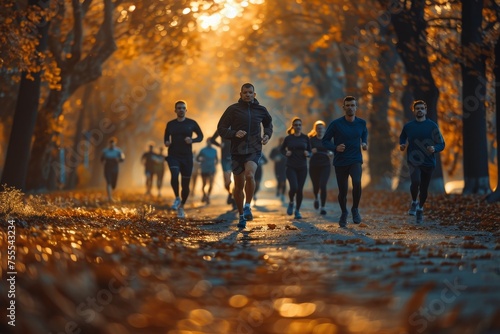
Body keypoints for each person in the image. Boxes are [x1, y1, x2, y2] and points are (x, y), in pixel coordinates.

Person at [217, 83, 273, 228]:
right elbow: (221, 128)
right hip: (236, 151)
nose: (247, 95)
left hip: (254, 149)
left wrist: (267, 135)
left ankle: (248, 205)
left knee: (250, 175)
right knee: (238, 186)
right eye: (245, 92)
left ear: (254, 95)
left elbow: (268, 124)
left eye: (250, 92)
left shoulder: (261, 110)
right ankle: (241, 215)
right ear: (240, 94)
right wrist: (234, 133)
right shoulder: (233, 109)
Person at [322, 96, 368, 227]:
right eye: (347, 105)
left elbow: (364, 133)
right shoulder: (336, 124)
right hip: (341, 161)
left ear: (356, 107)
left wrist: (364, 142)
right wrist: (335, 148)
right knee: (342, 191)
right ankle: (344, 212)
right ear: (344, 108)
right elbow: (325, 140)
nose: (350, 108)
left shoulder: (361, 123)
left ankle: (355, 209)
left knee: (357, 182)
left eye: (353, 105)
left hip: (355, 159)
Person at [399, 100, 445, 223]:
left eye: (421, 108)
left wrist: (434, 148)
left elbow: (441, 143)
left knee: (424, 188)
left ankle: (420, 208)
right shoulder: (408, 126)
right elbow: (402, 136)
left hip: (428, 162)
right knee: (415, 181)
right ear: (414, 111)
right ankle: (414, 201)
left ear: (425, 110)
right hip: (413, 160)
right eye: (417, 108)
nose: (419, 110)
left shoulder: (432, 126)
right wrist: (402, 144)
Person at [164, 100, 204, 218]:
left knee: (185, 185)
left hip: (187, 157)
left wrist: (192, 140)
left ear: (186, 110)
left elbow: (201, 136)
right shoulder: (170, 124)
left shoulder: (192, 123)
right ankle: (177, 197)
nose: (181, 110)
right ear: (175, 110)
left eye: (183, 108)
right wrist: (166, 142)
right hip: (173, 155)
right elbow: (166, 138)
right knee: (174, 174)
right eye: (179, 108)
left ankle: (182, 206)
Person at [280, 117, 311, 219]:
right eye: (296, 125)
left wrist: (308, 153)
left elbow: (310, 152)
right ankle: (291, 202)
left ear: (301, 126)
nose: (298, 127)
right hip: (291, 166)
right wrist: (286, 153)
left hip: (302, 167)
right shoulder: (289, 138)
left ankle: (297, 210)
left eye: (299, 125)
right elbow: (281, 149)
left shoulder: (305, 138)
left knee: (300, 190)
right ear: (292, 126)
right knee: (294, 187)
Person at [308, 120, 333, 215]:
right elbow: (307, 151)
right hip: (314, 165)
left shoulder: (327, 140)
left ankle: (323, 207)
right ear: (316, 129)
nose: (320, 130)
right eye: (318, 128)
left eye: (321, 128)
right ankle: (316, 197)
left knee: (323, 185)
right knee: (316, 186)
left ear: (324, 129)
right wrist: (311, 151)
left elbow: (332, 149)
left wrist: (331, 153)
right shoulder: (311, 140)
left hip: (325, 165)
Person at [210, 130, 236, 209]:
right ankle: (230, 193)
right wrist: (219, 145)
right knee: (227, 181)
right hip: (225, 158)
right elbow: (212, 140)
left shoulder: (238, 125)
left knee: (237, 180)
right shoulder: (222, 128)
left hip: (236, 157)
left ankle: (235, 199)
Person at [100, 137, 125, 202]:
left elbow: (122, 158)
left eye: (113, 144)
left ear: (115, 144)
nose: (112, 145)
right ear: (109, 144)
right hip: (107, 168)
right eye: (111, 144)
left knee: (113, 184)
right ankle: (109, 197)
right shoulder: (105, 151)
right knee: (108, 182)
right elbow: (101, 159)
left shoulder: (118, 151)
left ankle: (111, 194)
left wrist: (119, 159)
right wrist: (103, 161)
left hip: (115, 168)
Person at [196, 138, 218, 205]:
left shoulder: (214, 150)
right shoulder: (202, 150)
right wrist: (200, 159)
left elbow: (217, 159)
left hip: (212, 169)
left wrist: (215, 164)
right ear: (206, 142)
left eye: (210, 142)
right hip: (204, 169)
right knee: (204, 184)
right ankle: (204, 195)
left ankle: (208, 196)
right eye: (208, 141)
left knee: (211, 184)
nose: (209, 143)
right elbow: (197, 158)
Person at [270, 137, 287, 201]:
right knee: (279, 180)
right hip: (277, 167)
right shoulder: (275, 149)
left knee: (284, 181)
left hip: (285, 167)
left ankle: (283, 194)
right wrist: (275, 158)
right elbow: (271, 156)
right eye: (281, 140)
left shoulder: (287, 150)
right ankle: (278, 190)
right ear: (279, 141)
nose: (282, 142)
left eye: (283, 141)